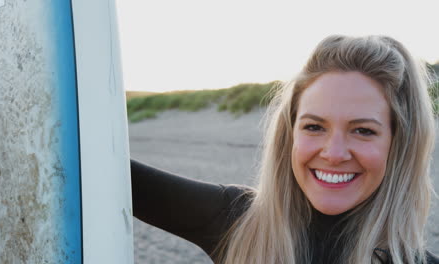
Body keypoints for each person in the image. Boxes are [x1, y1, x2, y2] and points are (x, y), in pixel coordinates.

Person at [131, 35, 439, 264]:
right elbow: (98, 169)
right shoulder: (238, 222)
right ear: (289, 133)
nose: (333, 153)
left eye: (363, 131)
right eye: (314, 126)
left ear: (398, 145)